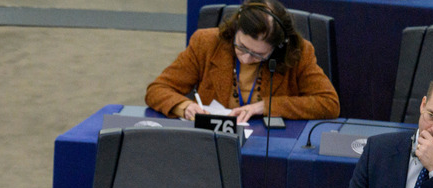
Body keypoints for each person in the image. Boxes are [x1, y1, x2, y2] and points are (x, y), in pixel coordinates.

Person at [145, 0, 338, 124]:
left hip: (270, 143)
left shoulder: (298, 52)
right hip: (214, 143)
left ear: (277, 48)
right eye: (242, 47)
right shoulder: (206, 43)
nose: (246, 58)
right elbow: (157, 89)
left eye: (258, 54)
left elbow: (329, 104)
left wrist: (265, 106)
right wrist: (184, 107)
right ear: (235, 29)